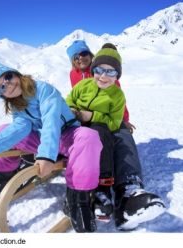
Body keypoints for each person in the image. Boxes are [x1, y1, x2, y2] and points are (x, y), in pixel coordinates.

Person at [0, 62, 102, 232]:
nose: (8, 84)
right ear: (1, 95)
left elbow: (52, 121)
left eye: (7, 77)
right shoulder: (16, 103)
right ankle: (4, 176)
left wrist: (45, 156)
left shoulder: (43, 89)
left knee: (88, 137)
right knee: (2, 131)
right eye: (1, 88)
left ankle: (78, 197)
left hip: (65, 136)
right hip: (43, 141)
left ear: (15, 73)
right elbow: (21, 127)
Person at [66, 41, 166, 230]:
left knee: (121, 135)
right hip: (82, 120)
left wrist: (122, 120)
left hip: (106, 117)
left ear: (91, 55)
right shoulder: (77, 77)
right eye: (76, 56)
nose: (81, 58)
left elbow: (117, 105)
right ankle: (97, 188)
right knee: (98, 136)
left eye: (84, 54)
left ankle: (128, 191)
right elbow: (71, 99)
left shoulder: (110, 79)